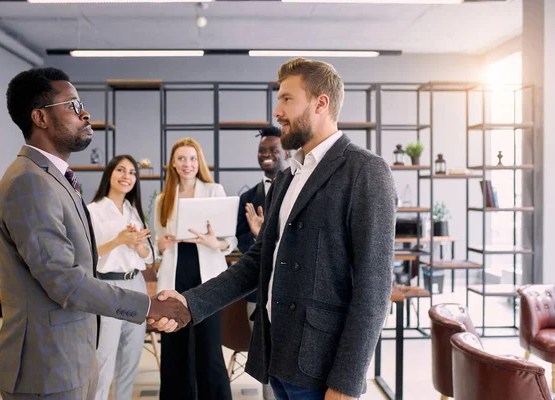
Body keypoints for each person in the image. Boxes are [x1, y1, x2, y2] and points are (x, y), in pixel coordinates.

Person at [159, 58, 398, 400]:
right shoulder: (288, 177)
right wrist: (189, 302)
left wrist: (346, 382)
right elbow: (259, 260)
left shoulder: (365, 171)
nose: (278, 111)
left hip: (322, 369)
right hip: (277, 357)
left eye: (287, 98)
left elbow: (374, 290)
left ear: (321, 102)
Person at [0, 67, 190, 400]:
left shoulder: (54, 178)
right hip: (47, 367)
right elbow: (65, 281)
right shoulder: (29, 183)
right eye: (72, 105)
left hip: (72, 356)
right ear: (40, 117)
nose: (85, 114)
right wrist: (148, 307)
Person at [153, 137, 237, 400]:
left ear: (198, 162)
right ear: (173, 164)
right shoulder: (162, 199)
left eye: (191, 158)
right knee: (175, 348)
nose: (187, 164)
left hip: (206, 280)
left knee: (209, 350)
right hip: (174, 277)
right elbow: (158, 241)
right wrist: (161, 244)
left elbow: (230, 240)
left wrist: (216, 242)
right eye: (181, 159)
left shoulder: (214, 191)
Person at [87, 155, 155, 400]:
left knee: (131, 354)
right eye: (121, 170)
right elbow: (86, 255)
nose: (127, 176)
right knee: (105, 356)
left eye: (132, 173)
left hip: (135, 284)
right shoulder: (92, 211)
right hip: (107, 285)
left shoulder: (133, 212)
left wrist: (137, 246)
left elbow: (148, 257)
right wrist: (118, 241)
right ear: (110, 175)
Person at [235, 126, 289, 400]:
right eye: (262, 151)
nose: (266, 155)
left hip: (291, 293)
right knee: (265, 363)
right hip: (257, 294)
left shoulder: (297, 190)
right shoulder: (246, 198)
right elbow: (241, 241)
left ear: (286, 152)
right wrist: (260, 239)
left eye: (273, 150)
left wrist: (269, 238)